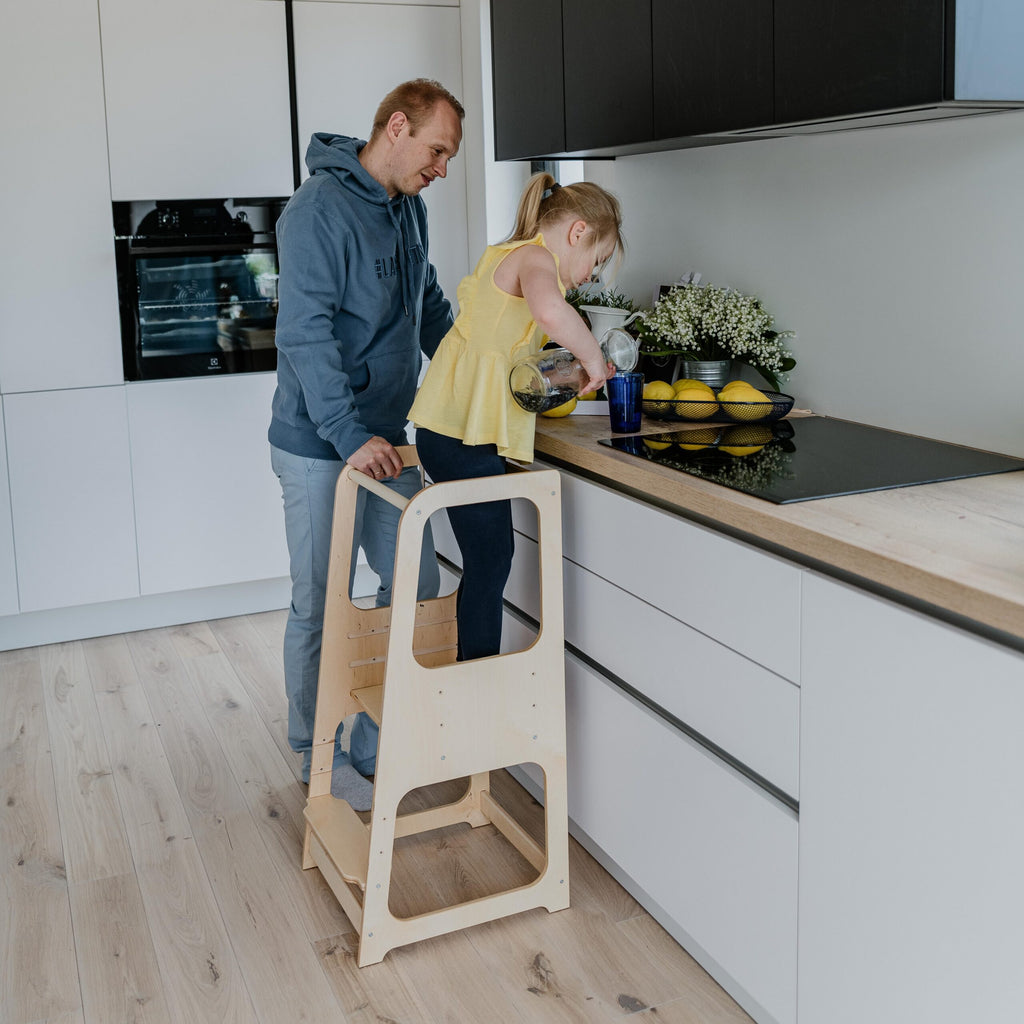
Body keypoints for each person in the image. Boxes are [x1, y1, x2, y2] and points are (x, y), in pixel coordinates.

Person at [269, 79, 465, 811]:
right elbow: (304, 335)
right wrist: (350, 435)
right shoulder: (316, 211)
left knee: (414, 582)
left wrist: (476, 376)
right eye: (437, 150)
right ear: (397, 127)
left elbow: (428, 307)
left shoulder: (408, 207)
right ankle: (313, 752)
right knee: (322, 603)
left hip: (387, 440)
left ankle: (374, 743)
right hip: (321, 443)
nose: (441, 168)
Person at [409, 172, 624, 662]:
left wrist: (571, 368)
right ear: (578, 232)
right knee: (491, 560)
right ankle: (477, 674)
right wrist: (592, 357)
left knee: (487, 559)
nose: (592, 274)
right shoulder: (535, 258)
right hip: (460, 438)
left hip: (453, 433)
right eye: (598, 259)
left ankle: (473, 669)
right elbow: (550, 312)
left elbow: (513, 353)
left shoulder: (515, 256)